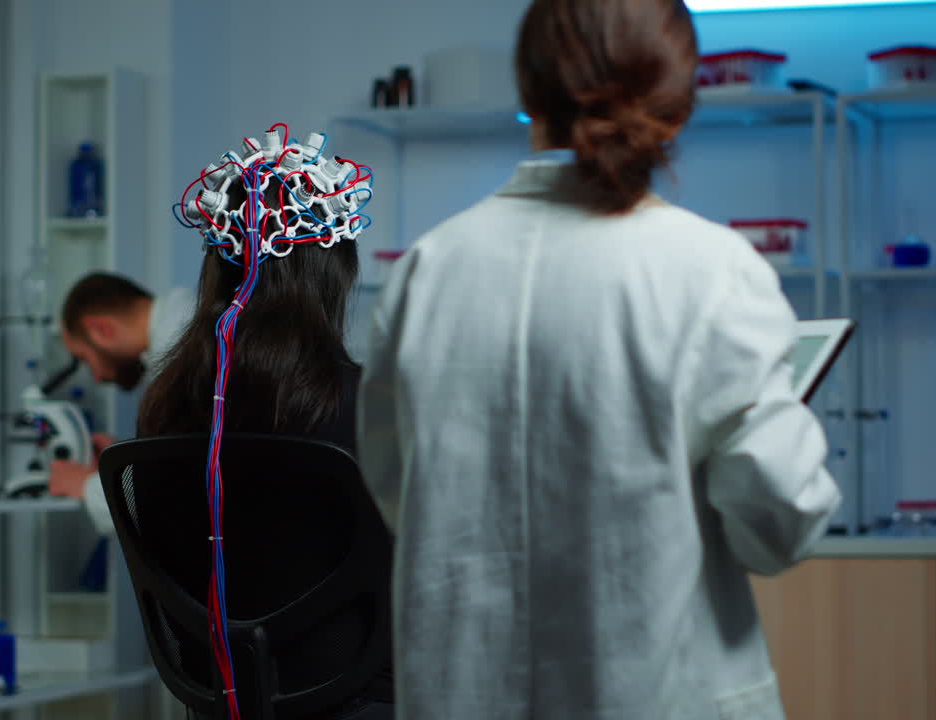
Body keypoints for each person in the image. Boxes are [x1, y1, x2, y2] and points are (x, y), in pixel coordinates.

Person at [356, 1, 841, 718]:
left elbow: (402, 496)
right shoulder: (712, 272)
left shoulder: (428, 271)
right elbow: (780, 524)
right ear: (679, 104)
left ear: (528, 91)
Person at [136, 129, 393, 719]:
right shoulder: (373, 407)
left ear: (215, 269)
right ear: (336, 277)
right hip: (361, 701)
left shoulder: (166, 410)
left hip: (220, 701)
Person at [46, 273, 194, 533]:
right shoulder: (186, 322)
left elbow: (166, 493)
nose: (97, 377)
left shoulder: (178, 355)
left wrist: (85, 485)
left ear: (101, 330)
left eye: (85, 358)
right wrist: (122, 461)